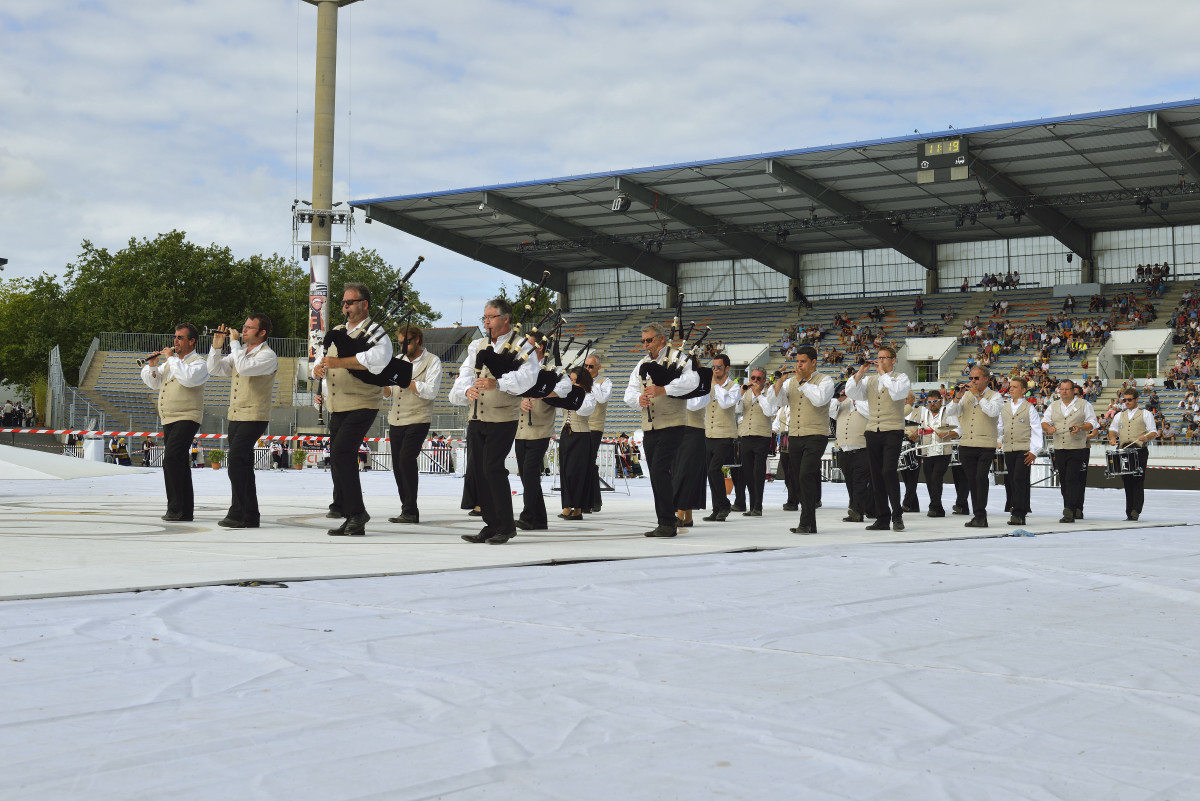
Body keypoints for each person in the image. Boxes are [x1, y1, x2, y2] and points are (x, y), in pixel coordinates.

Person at [450, 298, 538, 545]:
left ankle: (506, 525)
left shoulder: (522, 345)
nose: (486, 322)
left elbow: (528, 378)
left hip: (502, 416)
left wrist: (497, 383)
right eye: (484, 318)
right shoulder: (478, 345)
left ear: (506, 319)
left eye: (491, 317)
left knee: (492, 468)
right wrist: (466, 390)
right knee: (479, 471)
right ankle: (491, 524)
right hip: (477, 415)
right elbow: (465, 374)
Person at [312, 282, 393, 537]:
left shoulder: (376, 333)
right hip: (337, 404)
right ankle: (351, 515)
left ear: (364, 304)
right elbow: (322, 357)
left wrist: (338, 362)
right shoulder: (337, 331)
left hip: (363, 402)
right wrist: (317, 368)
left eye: (350, 302)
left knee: (342, 451)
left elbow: (377, 361)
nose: (345, 307)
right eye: (343, 303)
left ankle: (357, 513)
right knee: (338, 458)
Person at [623, 323, 699, 537]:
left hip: (673, 423)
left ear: (661, 339)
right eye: (643, 341)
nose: (645, 345)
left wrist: (663, 389)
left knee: (659, 470)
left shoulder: (680, 358)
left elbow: (692, 382)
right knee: (657, 475)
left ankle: (668, 522)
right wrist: (639, 399)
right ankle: (665, 520)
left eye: (649, 340)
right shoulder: (642, 364)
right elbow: (628, 392)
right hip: (650, 426)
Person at [207, 315, 278, 529]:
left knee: (236, 461)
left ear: (262, 332)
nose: (243, 330)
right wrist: (216, 347)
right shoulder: (241, 353)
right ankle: (251, 514)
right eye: (244, 327)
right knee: (244, 465)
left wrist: (234, 343)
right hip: (236, 414)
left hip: (254, 415)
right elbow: (214, 369)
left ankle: (237, 512)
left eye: (249, 328)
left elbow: (245, 368)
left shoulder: (267, 355)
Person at [140, 323, 210, 522]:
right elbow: (153, 384)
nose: (175, 341)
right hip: (169, 418)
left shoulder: (199, 363)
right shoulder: (171, 363)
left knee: (171, 459)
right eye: (175, 337)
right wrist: (152, 366)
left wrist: (170, 358)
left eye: (180, 337)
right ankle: (184, 510)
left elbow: (187, 379)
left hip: (187, 416)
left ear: (191, 341)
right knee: (178, 462)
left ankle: (176, 508)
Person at [765, 346, 834, 534]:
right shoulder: (791, 382)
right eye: (797, 361)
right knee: (800, 479)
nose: (799, 365)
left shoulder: (825, 380)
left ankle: (806, 522)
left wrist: (802, 382)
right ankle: (809, 523)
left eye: (803, 362)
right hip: (794, 435)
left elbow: (819, 399)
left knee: (805, 475)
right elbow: (774, 401)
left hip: (816, 434)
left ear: (813, 362)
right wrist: (778, 382)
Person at [381, 325, 442, 525]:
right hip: (396, 418)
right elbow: (389, 391)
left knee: (407, 459)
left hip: (419, 417)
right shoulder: (397, 360)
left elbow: (431, 391)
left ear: (418, 340)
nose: (403, 346)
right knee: (398, 465)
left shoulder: (432, 361)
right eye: (400, 342)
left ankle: (411, 509)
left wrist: (407, 381)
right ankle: (407, 509)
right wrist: (381, 382)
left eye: (406, 342)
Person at [845, 345, 911, 532]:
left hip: (893, 430)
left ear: (893, 360)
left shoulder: (901, 378)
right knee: (876, 476)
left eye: (884, 357)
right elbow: (852, 393)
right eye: (878, 357)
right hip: (873, 430)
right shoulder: (871, 380)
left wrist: (883, 374)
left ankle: (896, 515)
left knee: (888, 471)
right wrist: (860, 372)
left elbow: (897, 393)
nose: (880, 360)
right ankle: (882, 518)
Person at [514, 352, 570, 531]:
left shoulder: (554, 370)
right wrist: (520, 402)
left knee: (530, 472)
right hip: (520, 430)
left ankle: (528, 515)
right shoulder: (519, 367)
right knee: (525, 475)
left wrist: (543, 393)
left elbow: (565, 387)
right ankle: (539, 519)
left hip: (541, 429)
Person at [945, 366, 1003, 528]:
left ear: (986, 379)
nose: (972, 382)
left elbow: (991, 412)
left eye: (976, 379)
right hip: (967, 444)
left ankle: (980, 514)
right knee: (972, 480)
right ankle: (978, 515)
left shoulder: (995, 396)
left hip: (985, 444)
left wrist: (978, 395)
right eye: (971, 378)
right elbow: (950, 412)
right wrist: (957, 397)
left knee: (980, 478)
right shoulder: (965, 396)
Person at [1042, 378, 1097, 523]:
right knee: (1064, 480)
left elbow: (1092, 422)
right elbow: (1044, 421)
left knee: (1072, 478)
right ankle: (1070, 507)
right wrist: (1048, 428)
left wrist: (1081, 428)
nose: (1064, 391)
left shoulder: (1084, 404)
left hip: (1077, 447)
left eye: (1067, 389)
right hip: (1060, 447)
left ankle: (1069, 509)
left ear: (1073, 391)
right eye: (1062, 389)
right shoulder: (1053, 405)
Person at [699, 354, 740, 522]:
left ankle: (724, 504)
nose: (715, 370)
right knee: (710, 473)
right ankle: (717, 509)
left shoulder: (734, 387)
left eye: (719, 367)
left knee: (714, 469)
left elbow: (726, 404)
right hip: (709, 433)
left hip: (725, 434)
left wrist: (716, 386)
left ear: (727, 368)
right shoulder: (708, 385)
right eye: (713, 367)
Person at [997, 376, 1042, 527]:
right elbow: (1000, 427)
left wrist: (1034, 450)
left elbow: (1036, 430)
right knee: (1011, 480)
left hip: (1024, 449)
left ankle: (1019, 512)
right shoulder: (1004, 407)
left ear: (1023, 390)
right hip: (1009, 448)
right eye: (1011, 386)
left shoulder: (1029, 408)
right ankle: (1016, 508)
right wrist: (998, 440)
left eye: (1015, 387)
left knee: (1019, 479)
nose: (1011, 389)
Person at [906, 390, 958, 517]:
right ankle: (937, 507)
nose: (932, 404)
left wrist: (946, 434)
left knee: (936, 477)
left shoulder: (948, 412)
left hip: (943, 451)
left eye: (934, 401)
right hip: (928, 451)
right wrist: (915, 437)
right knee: (930, 480)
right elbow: (922, 434)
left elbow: (958, 431)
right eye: (929, 402)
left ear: (940, 400)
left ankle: (934, 506)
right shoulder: (925, 414)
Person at [1107, 388, 1157, 521]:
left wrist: (1146, 438)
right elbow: (1112, 430)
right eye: (1125, 400)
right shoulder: (1119, 415)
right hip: (1123, 450)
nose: (1127, 402)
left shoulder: (1145, 414)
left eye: (1129, 400)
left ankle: (1136, 510)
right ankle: (1129, 511)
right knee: (1127, 481)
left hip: (1139, 450)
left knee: (1138, 480)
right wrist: (1112, 438)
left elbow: (1153, 432)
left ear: (1136, 400)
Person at [557, 365, 598, 520]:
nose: (573, 384)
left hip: (581, 436)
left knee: (578, 473)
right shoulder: (567, 394)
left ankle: (578, 508)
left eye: (576, 381)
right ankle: (567, 505)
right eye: (571, 380)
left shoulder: (589, 395)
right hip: (566, 434)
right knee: (565, 471)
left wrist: (574, 395)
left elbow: (583, 410)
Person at [830, 381, 874, 522]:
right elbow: (830, 411)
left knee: (859, 483)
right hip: (845, 450)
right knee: (850, 482)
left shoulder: (864, 402)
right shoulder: (839, 405)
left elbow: (870, 413)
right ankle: (862, 508)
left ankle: (856, 511)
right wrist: (837, 398)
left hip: (862, 449)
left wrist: (855, 400)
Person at [735, 366, 774, 517]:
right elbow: (738, 410)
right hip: (746, 435)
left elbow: (769, 411)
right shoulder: (746, 393)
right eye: (753, 378)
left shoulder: (768, 393)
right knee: (748, 472)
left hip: (761, 436)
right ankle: (752, 506)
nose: (755, 381)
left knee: (758, 472)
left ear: (764, 380)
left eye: (758, 379)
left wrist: (758, 394)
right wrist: (740, 394)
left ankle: (758, 506)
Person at [583, 354, 612, 513]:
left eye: (591, 366)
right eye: (585, 366)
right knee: (584, 463)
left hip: (594, 426)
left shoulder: (605, 382)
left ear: (598, 367)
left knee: (588, 461)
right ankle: (590, 500)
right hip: (579, 425)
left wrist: (589, 383)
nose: (587, 369)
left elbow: (602, 398)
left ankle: (593, 500)